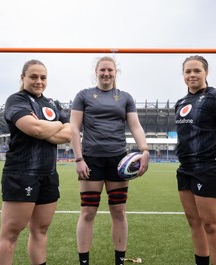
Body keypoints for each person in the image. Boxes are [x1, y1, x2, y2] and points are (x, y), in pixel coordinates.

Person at [70, 56, 150, 265]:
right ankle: (84, 261)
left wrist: (145, 149)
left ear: (116, 73)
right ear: (96, 72)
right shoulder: (84, 95)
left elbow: (135, 125)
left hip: (118, 159)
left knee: (118, 211)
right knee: (88, 212)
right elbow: (74, 128)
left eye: (110, 70)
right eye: (102, 70)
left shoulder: (125, 97)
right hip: (91, 159)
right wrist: (79, 158)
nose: (106, 74)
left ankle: (120, 261)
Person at [0, 59, 71, 265]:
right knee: (11, 232)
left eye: (43, 77)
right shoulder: (16, 100)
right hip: (21, 173)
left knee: (41, 230)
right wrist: (55, 126)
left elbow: (69, 133)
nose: (39, 81)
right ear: (23, 77)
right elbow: (33, 129)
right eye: (33, 76)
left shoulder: (52, 104)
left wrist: (44, 127)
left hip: (48, 174)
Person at [174, 55, 216, 265]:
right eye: (188, 71)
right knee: (194, 223)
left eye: (197, 70)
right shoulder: (181, 102)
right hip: (186, 168)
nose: (192, 75)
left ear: (206, 73)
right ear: (183, 75)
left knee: (212, 225)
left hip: (209, 167)